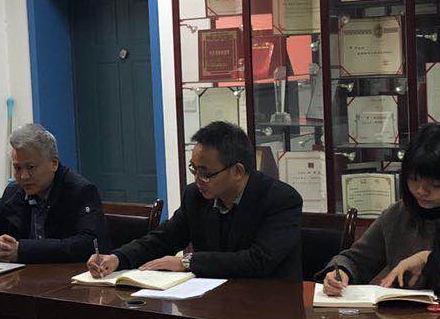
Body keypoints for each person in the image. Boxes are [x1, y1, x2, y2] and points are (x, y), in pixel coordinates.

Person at [319, 124, 440, 304]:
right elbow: (356, 259)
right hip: (413, 317)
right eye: (413, 180)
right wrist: (340, 273)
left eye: (435, 185)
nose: (421, 191)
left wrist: (427, 261)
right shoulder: (398, 214)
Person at [86, 120, 301, 280]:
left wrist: (187, 262)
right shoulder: (195, 196)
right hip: (211, 302)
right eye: (194, 169)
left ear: (237, 171)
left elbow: (258, 261)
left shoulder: (280, 199)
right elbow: (163, 239)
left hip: (268, 306)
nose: (197, 179)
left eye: (205, 173)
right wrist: (117, 258)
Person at [0, 122, 109, 263]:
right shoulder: (15, 191)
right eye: (17, 168)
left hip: (64, 275)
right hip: (22, 275)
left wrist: (22, 250)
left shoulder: (80, 191)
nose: (23, 176)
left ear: (54, 164)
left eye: (31, 167)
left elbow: (90, 244)